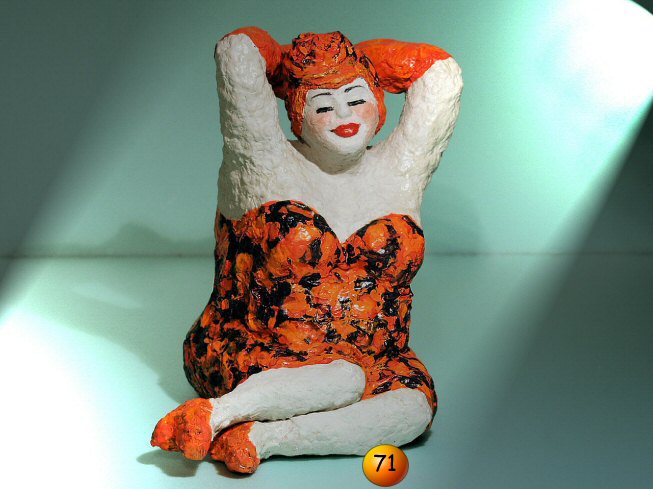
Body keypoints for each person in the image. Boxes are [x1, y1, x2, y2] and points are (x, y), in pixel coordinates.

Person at [151, 27, 463, 474]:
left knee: (412, 411)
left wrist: (359, 61)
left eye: (356, 98)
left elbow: (441, 73)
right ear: (297, 116)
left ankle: (259, 440)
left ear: (379, 104)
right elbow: (238, 52)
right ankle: (217, 414)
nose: (344, 115)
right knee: (341, 379)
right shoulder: (264, 163)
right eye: (322, 105)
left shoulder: (399, 172)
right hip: (255, 349)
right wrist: (291, 66)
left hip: (377, 358)